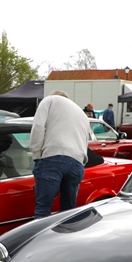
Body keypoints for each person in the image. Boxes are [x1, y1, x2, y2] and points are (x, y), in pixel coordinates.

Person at [30, 90, 91, 218]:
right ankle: (66, 231)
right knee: (68, 213)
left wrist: (37, 156)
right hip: (77, 163)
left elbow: (38, 127)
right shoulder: (82, 114)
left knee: (43, 210)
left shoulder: (49, 100)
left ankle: (42, 232)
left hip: (52, 158)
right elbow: (85, 142)